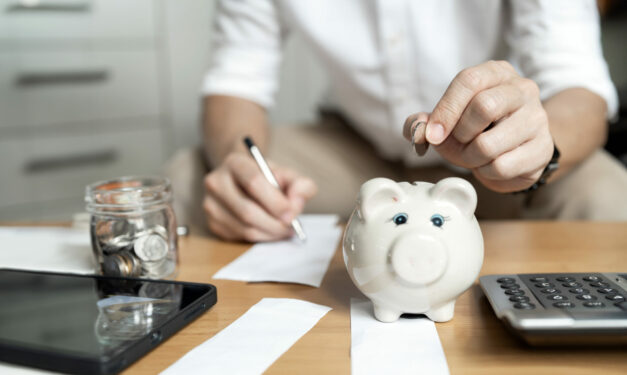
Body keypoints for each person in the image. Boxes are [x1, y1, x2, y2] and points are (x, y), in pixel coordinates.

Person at [166, 0, 627, 242]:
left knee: (611, 196)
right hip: (354, 148)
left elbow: (579, 88)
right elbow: (236, 82)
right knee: (189, 178)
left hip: (498, 164)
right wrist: (242, 169)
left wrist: (538, 152)